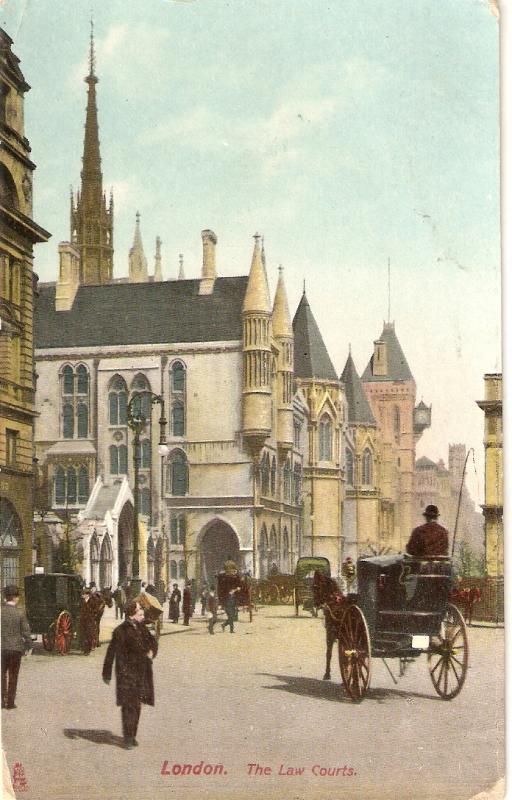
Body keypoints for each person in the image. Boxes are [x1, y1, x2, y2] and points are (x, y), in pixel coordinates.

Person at [102, 600, 158, 749]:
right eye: (139, 610)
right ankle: (127, 738)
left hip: (142, 672)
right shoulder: (120, 631)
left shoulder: (142, 627)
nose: (142, 612)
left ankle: (132, 735)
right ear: (132, 614)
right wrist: (106, 674)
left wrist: (152, 651)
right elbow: (111, 652)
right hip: (127, 673)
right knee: (129, 705)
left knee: (138, 705)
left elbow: (152, 642)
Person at [1, 585, 32, 709]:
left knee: (1, 675)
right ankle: (10, 702)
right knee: (13, 676)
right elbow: (26, 631)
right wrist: (29, 645)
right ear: (15, 598)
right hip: (16, 649)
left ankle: (1, 701)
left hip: (2, 648)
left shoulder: (1, 612)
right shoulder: (20, 613)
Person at [79, 587, 98, 655]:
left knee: (89, 635)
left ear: (87, 595)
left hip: (90, 620)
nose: (82, 595)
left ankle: (88, 650)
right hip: (83, 620)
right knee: (83, 634)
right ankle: (84, 649)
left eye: (83, 594)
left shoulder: (92, 601)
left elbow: (96, 609)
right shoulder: (81, 601)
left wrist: (92, 615)